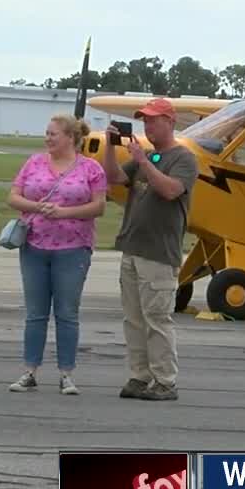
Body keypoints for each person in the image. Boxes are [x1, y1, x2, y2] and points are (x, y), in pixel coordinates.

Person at [100, 98, 198, 401]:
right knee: (133, 318)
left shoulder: (184, 159)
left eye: (153, 120)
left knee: (157, 319)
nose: (148, 126)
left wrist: (143, 162)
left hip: (158, 252)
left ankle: (165, 381)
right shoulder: (150, 156)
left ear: (170, 121)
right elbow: (114, 177)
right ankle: (140, 376)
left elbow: (170, 191)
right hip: (133, 247)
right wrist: (109, 144)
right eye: (144, 121)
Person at [6, 114, 107, 394]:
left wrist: (64, 212)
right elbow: (12, 197)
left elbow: (99, 207)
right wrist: (36, 207)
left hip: (73, 248)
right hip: (34, 246)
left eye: (53, 134)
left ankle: (66, 374)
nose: (47, 138)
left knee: (67, 312)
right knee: (36, 313)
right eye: (47, 133)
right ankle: (30, 371)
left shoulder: (91, 169)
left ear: (71, 138)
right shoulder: (34, 162)